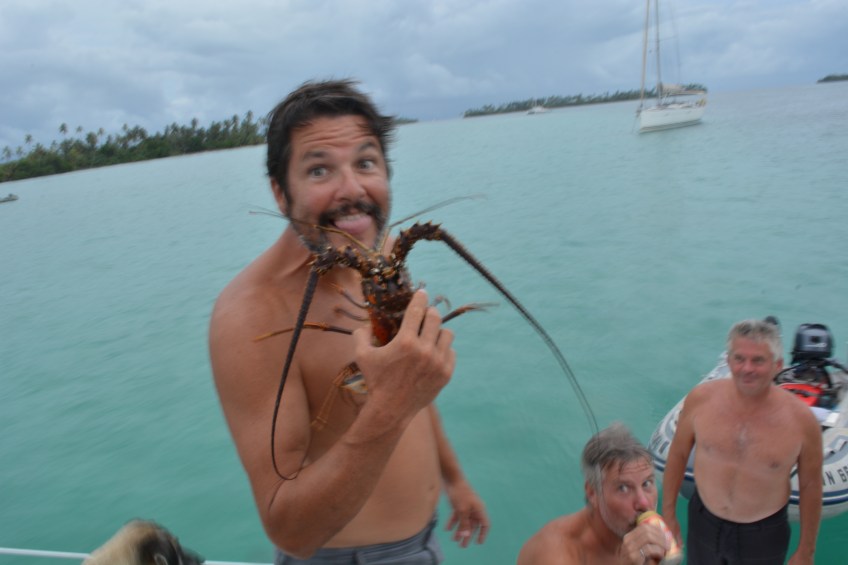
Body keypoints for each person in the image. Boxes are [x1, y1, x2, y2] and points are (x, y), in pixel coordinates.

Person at [209, 79, 488, 563]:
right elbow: (289, 530)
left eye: (365, 162)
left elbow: (412, 388)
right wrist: (390, 406)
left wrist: (455, 480)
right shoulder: (250, 315)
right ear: (280, 193)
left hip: (427, 541)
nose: (353, 190)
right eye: (319, 169)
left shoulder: (381, 256)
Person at [662, 319, 823, 565]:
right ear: (728, 360)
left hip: (763, 535)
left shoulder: (802, 422)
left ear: (777, 365)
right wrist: (669, 514)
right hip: (704, 521)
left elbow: (811, 486)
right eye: (739, 358)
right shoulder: (701, 400)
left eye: (758, 360)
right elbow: (678, 454)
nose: (747, 368)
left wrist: (806, 550)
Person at [517, 423, 672, 564]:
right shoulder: (556, 554)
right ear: (592, 493)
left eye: (647, 484)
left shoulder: (633, 538)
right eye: (623, 488)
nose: (644, 503)